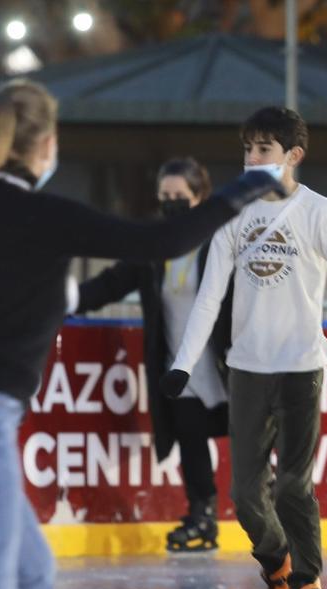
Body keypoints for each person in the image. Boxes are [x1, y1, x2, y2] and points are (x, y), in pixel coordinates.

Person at [0, 78, 280, 589]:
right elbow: (158, 240)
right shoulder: (41, 213)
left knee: (31, 575)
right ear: (46, 143)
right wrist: (237, 193)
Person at [162, 106, 327, 589]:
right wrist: (183, 365)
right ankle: (281, 579)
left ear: (293, 156)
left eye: (263, 149)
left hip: (300, 367)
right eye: (247, 149)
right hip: (247, 369)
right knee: (244, 493)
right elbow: (209, 295)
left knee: (292, 485)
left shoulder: (319, 212)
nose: (252, 159)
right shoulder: (233, 215)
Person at [75, 156, 231, 552]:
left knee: (251, 442)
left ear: (201, 197)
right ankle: (202, 515)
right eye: (165, 196)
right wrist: (66, 299)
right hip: (179, 366)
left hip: (228, 363)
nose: (172, 203)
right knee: (191, 440)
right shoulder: (154, 245)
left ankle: (269, 516)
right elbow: (113, 282)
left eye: (181, 195)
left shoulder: (223, 240)